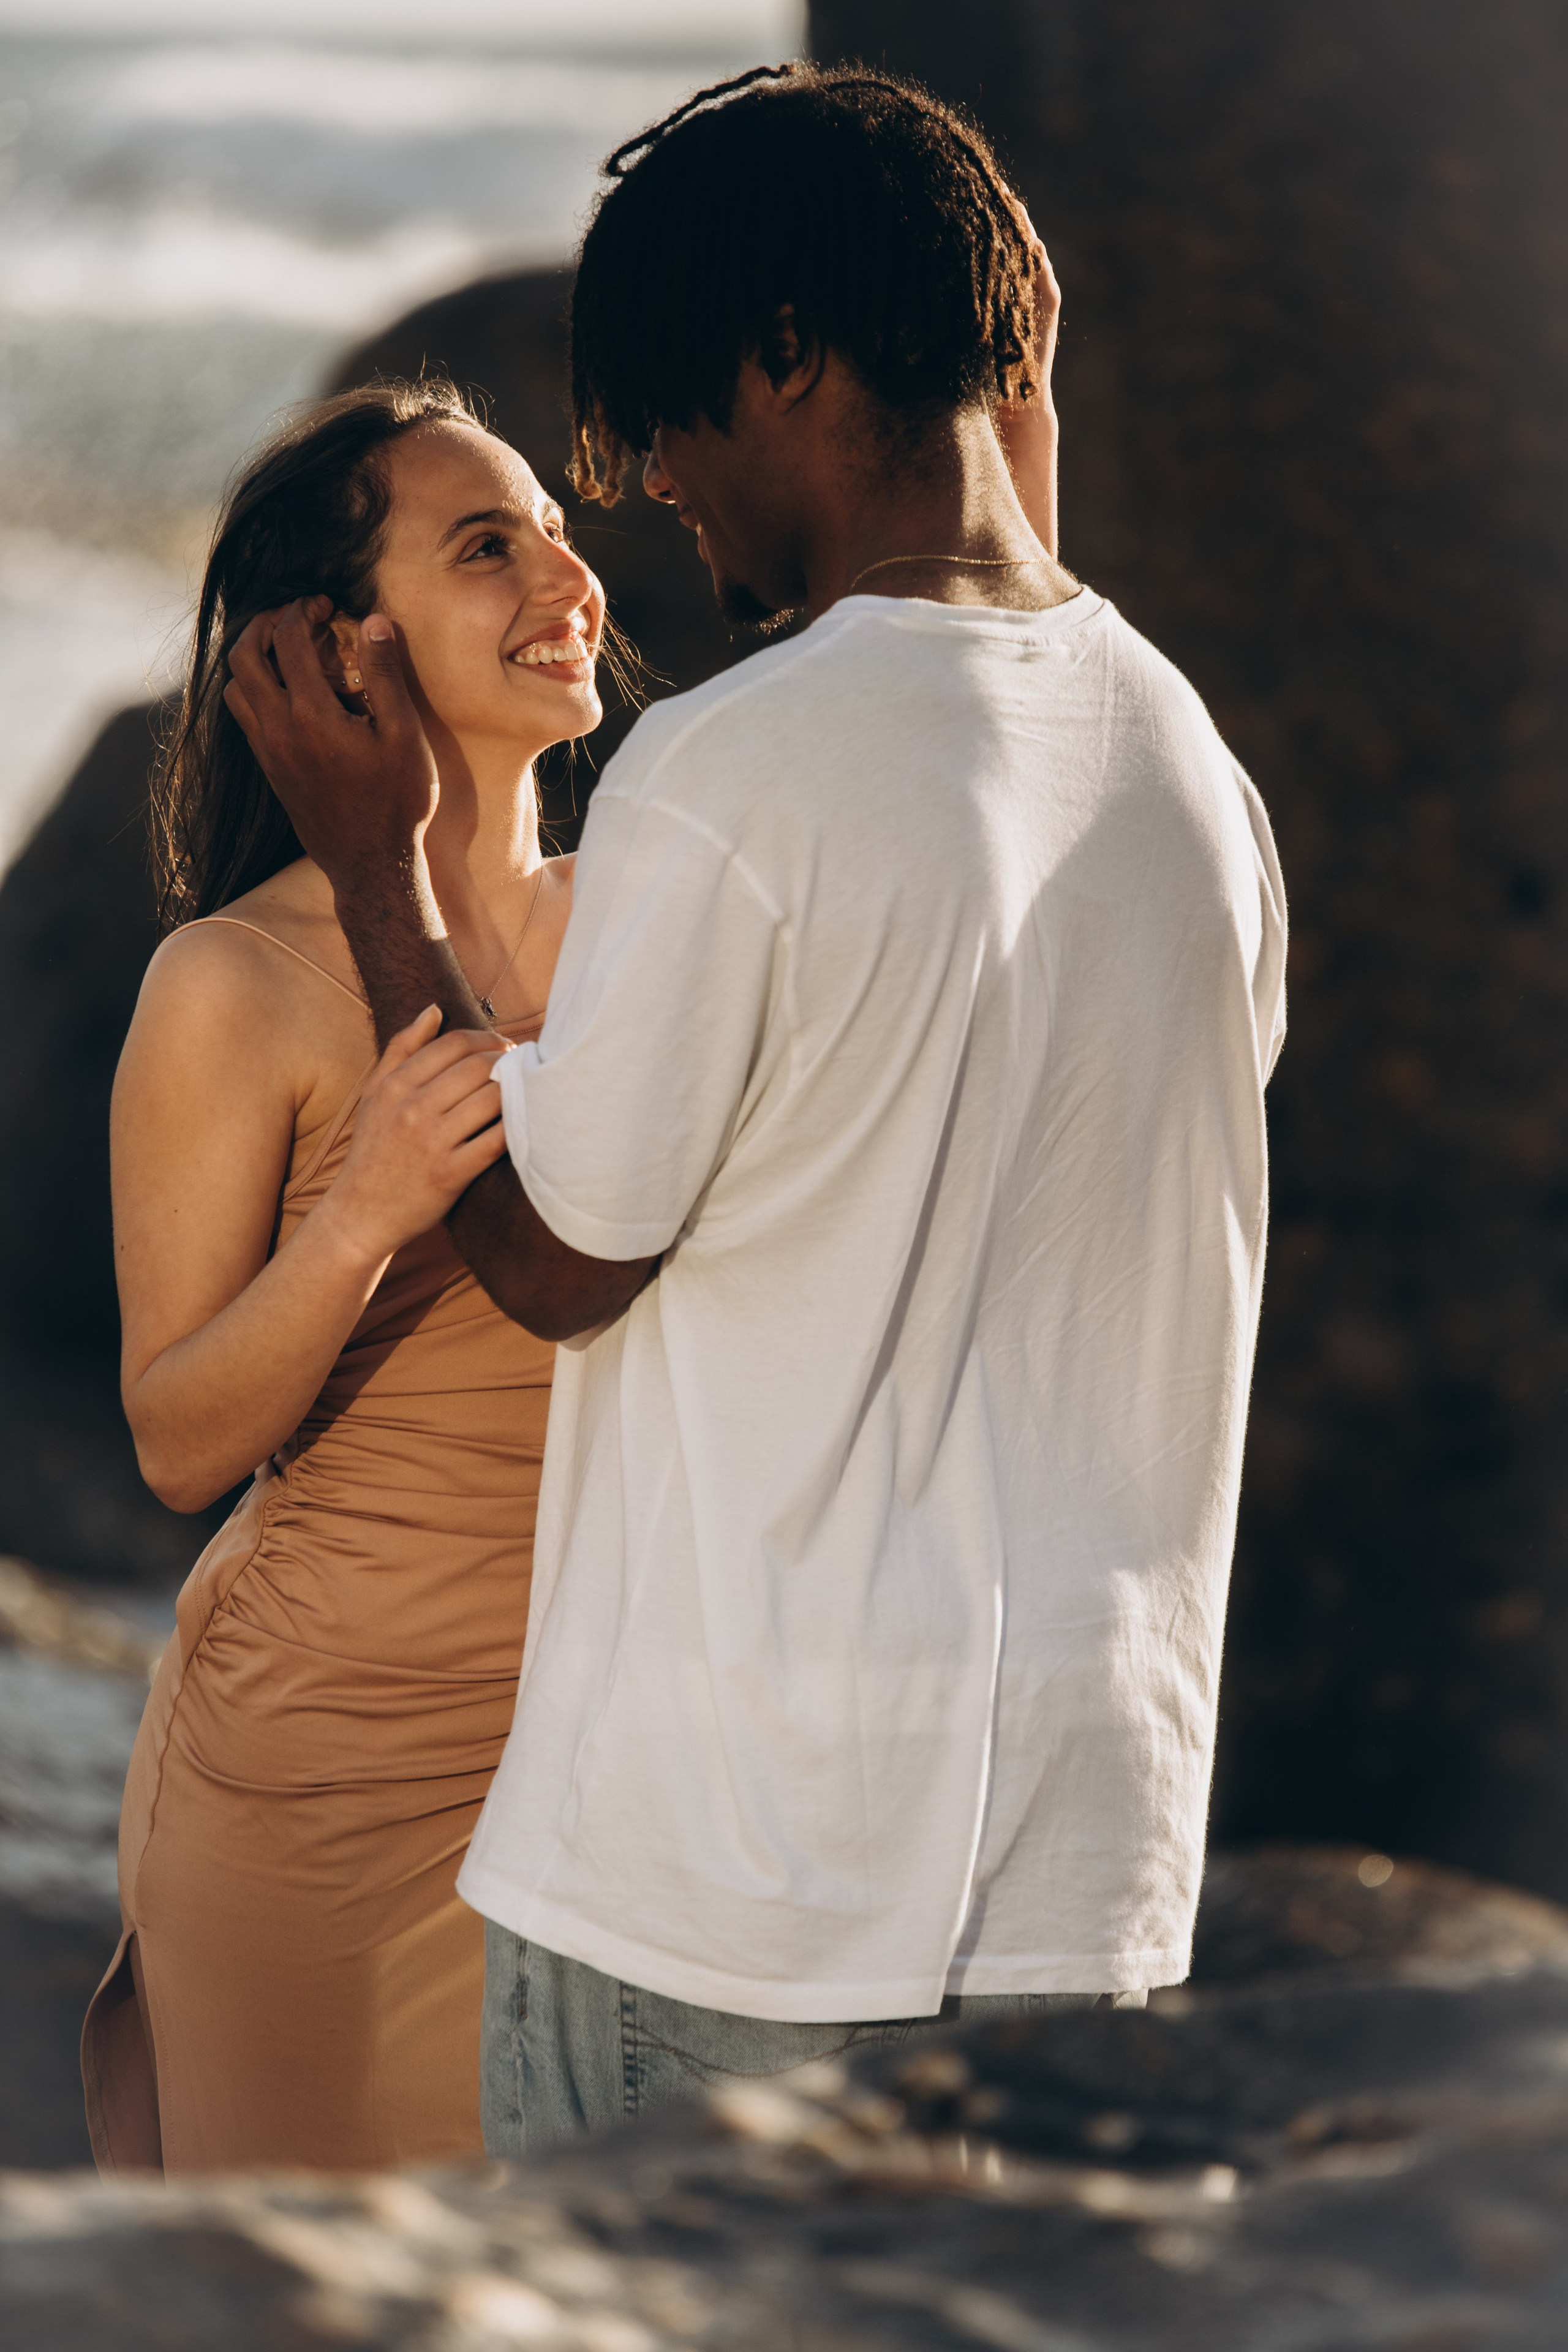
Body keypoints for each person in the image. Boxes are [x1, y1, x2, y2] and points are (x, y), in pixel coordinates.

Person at [227, 64, 1287, 2155]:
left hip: (730, 1901)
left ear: (786, 357)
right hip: (1092, 1884)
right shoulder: (1186, 771)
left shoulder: (734, 772)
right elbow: (989, 866)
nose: (659, 502)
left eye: (657, 432)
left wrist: (375, 865)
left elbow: (551, 1255)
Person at [81, 377, 616, 2173]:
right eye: (488, 545)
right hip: (328, 1777)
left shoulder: (662, 923)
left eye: (555, 523)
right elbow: (175, 1440)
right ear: (344, 652)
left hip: (629, 1768)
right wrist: (362, 1210)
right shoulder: (231, 984)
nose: (566, 569)